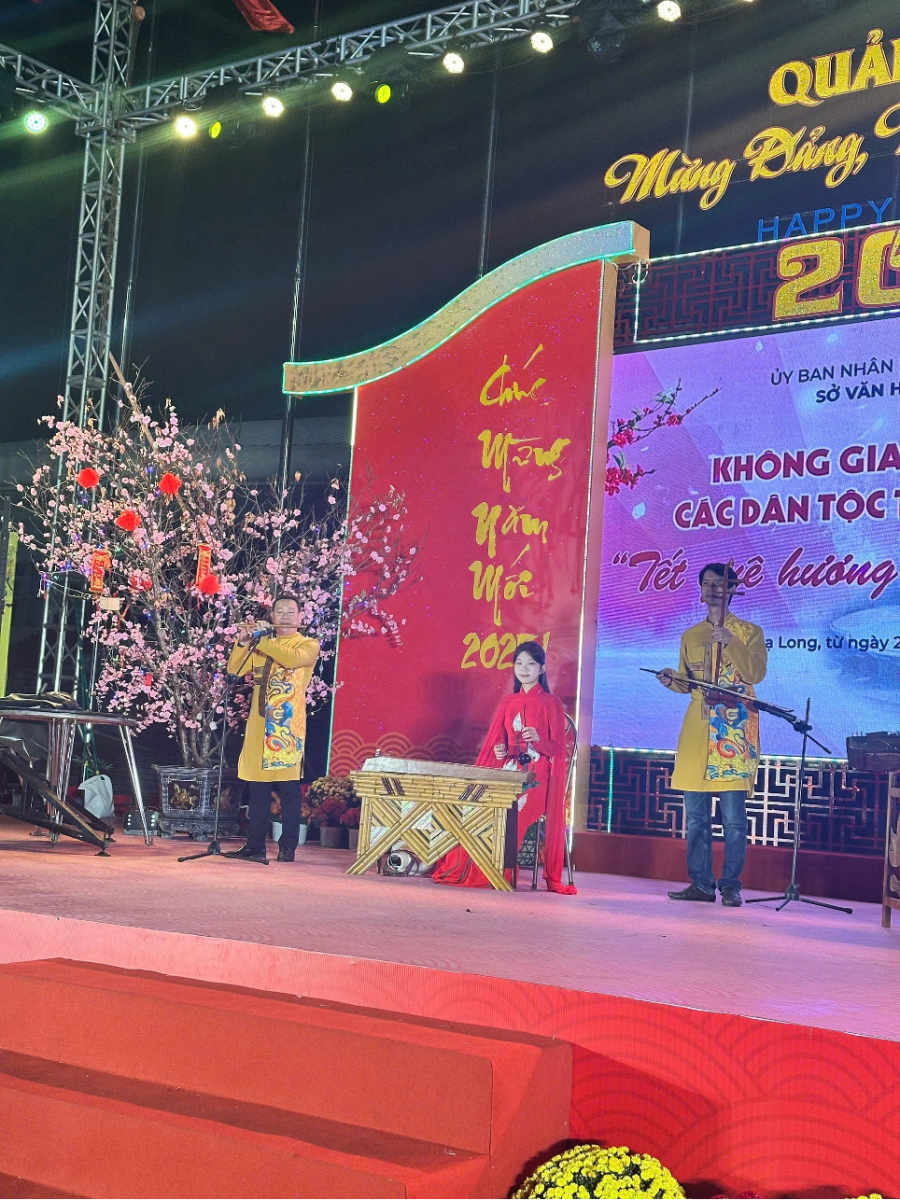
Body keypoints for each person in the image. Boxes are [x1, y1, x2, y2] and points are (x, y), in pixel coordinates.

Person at [657, 562, 767, 908]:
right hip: (697, 730)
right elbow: (687, 683)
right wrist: (672, 680)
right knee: (697, 818)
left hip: (733, 731)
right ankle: (702, 884)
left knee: (734, 820)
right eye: (707, 583)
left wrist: (731, 641)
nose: (712, 589)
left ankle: (731, 885)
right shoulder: (690, 635)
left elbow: (755, 674)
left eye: (720, 583)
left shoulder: (750, 632)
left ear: (732, 589)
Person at [433, 641, 576, 894]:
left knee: (511, 811)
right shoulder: (509, 702)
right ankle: (472, 867)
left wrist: (538, 740)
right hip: (510, 770)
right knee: (480, 806)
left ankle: (499, 870)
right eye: (519, 663)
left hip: (538, 777)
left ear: (542, 669)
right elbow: (502, 743)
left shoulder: (551, 702)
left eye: (531, 664)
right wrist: (501, 750)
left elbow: (557, 750)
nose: (524, 669)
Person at [224, 594, 319, 863]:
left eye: (291, 611)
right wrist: (244, 642)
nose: (285, 616)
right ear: (273, 616)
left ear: (300, 617)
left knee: (289, 790)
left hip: (286, 727)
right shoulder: (262, 644)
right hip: (258, 724)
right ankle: (254, 846)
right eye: (280, 612)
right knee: (258, 790)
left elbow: (290, 660)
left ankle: (288, 847)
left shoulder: (308, 644)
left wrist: (262, 640)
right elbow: (234, 669)